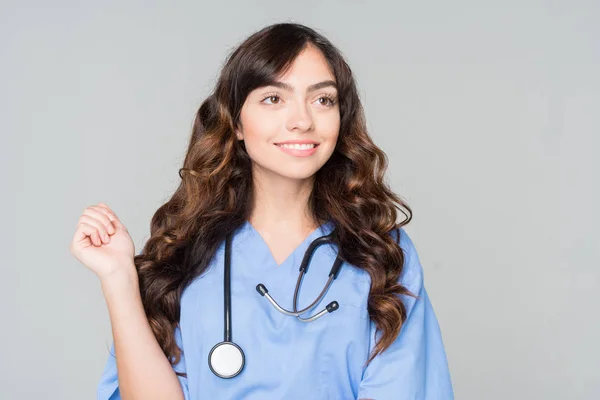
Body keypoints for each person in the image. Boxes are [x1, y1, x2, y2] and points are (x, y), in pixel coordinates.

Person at [70, 22, 454, 400]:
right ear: (236, 121)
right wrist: (119, 278)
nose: (302, 120)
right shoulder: (182, 254)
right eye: (274, 98)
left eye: (323, 100)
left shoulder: (382, 255)